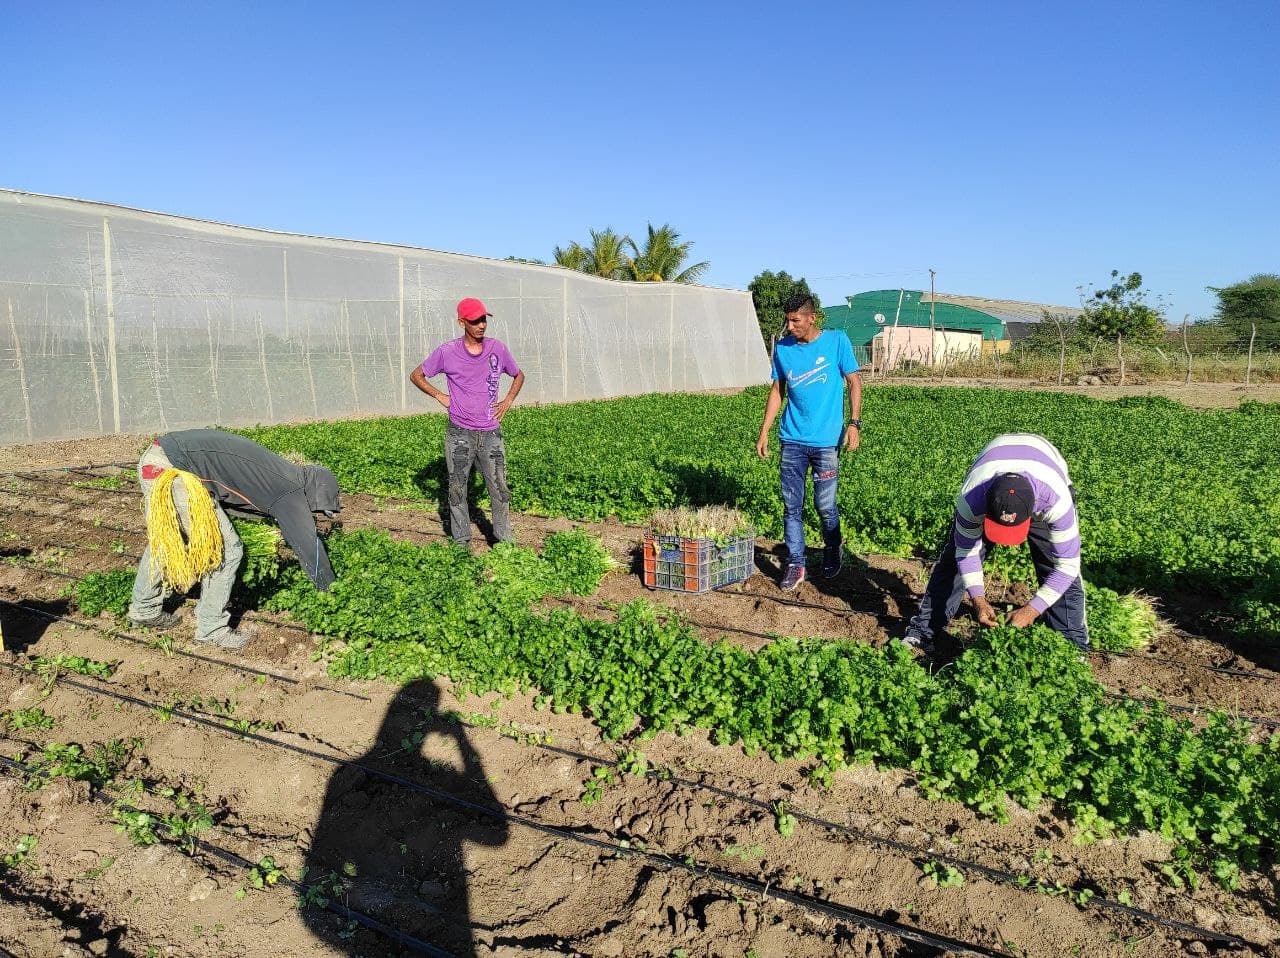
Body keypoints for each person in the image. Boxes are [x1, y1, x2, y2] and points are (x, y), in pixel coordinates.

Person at [126, 430, 342, 650]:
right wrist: (331, 589)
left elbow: (237, 497)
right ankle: (211, 629)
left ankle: (143, 610)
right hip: (176, 471)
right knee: (228, 550)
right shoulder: (290, 491)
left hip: (157, 457)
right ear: (315, 492)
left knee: (167, 537)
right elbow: (308, 547)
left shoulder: (283, 472)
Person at [902, 432, 1089, 653]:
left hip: (1045, 466)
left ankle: (1071, 647)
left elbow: (1067, 566)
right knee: (953, 562)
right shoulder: (972, 499)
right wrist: (978, 601)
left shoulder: (1055, 502)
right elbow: (966, 551)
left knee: (1052, 564)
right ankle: (923, 632)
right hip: (993, 467)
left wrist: (1030, 610)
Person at [755, 293, 862, 590]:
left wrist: (854, 423)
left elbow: (854, 381)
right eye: (787, 320)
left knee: (825, 505)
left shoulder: (837, 341)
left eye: (795, 320)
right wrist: (764, 430)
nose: (790, 326)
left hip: (827, 442)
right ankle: (796, 563)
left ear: (812, 318)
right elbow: (777, 391)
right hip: (791, 440)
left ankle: (831, 548)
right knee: (791, 506)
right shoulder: (783, 349)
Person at [410, 297, 525, 547]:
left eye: (484, 319)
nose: (482, 325)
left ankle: (505, 543)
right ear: (462, 322)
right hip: (459, 433)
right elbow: (416, 375)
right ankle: (461, 542)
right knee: (457, 489)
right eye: (475, 321)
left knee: (500, 490)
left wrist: (507, 400)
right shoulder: (447, 352)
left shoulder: (498, 349)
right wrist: (440, 395)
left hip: (491, 433)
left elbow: (518, 374)